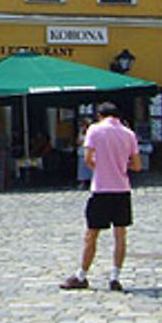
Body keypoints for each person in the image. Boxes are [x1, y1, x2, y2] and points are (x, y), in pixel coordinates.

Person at [60, 102, 142, 292]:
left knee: (92, 234)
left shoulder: (94, 130)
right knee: (120, 234)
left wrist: (102, 166)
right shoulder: (129, 134)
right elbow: (137, 165)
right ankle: (115, 276)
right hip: (122, 189)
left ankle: (82, 275)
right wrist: (122, 165)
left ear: (100, 115)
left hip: (101, 188)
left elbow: (88, 159)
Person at [76, 117, 93, 190]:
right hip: (82, 152)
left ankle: (92, 182)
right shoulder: (81, 133)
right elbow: (78, 142)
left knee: (91, 168)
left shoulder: (92, 132)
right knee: (82, 168)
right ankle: (82, 182)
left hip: (91, 153)